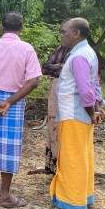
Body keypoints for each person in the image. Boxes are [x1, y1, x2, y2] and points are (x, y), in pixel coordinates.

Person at [0, 11, 42, 208]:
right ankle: (5, 195)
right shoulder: (27, 49)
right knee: (9, 147)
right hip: (14, 100)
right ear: (21, 28)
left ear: (2, 27)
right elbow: (34, 81)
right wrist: (10, 101)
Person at [50, 18, 105, 209]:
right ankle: (85, 196)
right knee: (83, 155)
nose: (62, 35)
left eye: (64, 31)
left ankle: (71, 202)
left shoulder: (79, 56)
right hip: (80, 114)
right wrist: (96, 109)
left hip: (74, 114)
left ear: (76, 33)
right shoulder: (86, 52)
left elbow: (85, 91)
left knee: (71, 158)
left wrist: (93, 112)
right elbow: (94, 84)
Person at [41, 43, 70, 173]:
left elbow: (72, 71)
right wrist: (61, 66)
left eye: (65, 31)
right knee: (53, 124)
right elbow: (44, 68)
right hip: (55, 89)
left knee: (67, 126)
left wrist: (59, 68)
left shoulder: (81, 51)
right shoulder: (60, 48)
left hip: (70, 92)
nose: (63, 35)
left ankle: (65, 166)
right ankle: (54, 165)